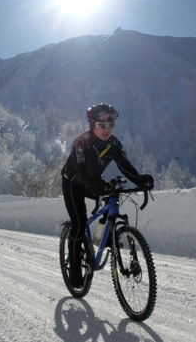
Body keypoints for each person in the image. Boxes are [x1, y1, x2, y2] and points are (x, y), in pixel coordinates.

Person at [61, 103, 154, 287]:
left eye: (110, 125)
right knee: (79, 223)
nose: (106, 129)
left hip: (93, 180)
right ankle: (74, 265)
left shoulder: (113, 144)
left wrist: (140, 180)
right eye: (101, 125)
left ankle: (103, 235)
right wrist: (92, 183)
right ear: (92, 125)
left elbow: (125, 166)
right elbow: (80, 171)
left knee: (112, 198)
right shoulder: (82, 143)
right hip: (73, 183)